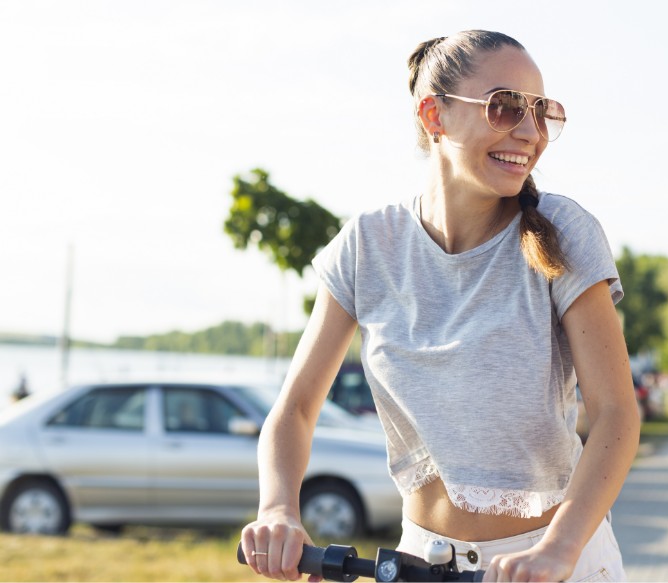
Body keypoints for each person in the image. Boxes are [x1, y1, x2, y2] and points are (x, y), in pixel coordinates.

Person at [240, 30, 640, 583]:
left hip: (550, 562)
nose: (529, 133)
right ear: (434, 116)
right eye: (504, 107)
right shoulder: (367, 246)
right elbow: (296, 409)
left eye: (541, 112)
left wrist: (559, 550)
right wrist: (279, 508)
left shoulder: (565, 232)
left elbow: (617, 414)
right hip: (418, 561)